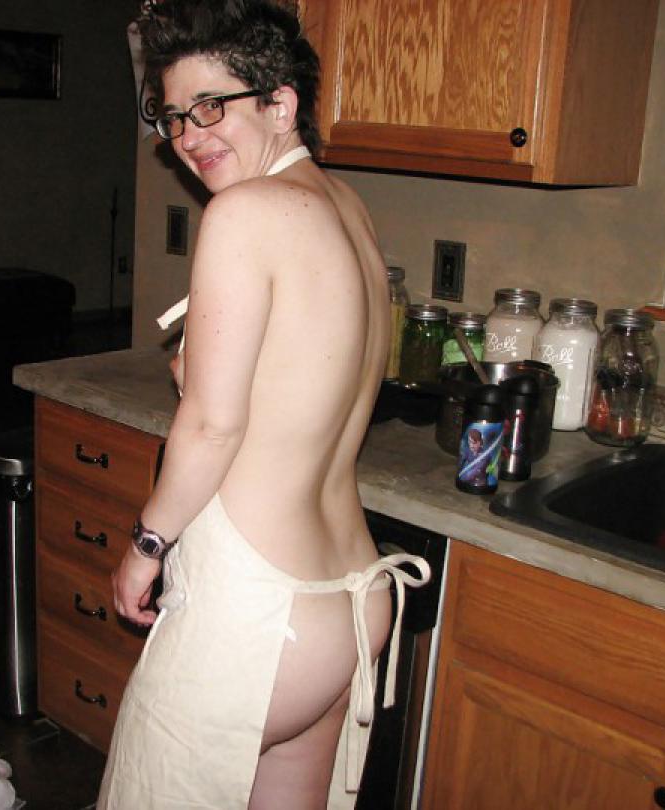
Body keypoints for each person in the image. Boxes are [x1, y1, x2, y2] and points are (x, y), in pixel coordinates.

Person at [99, 2, 430, 808]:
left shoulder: (242, 213)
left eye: (212, 106)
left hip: (258, 613)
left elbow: (215, 425)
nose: (189, 135)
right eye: (175, 116)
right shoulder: (347, 208)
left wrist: (146, 545)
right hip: (352, 602)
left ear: (281, 104)